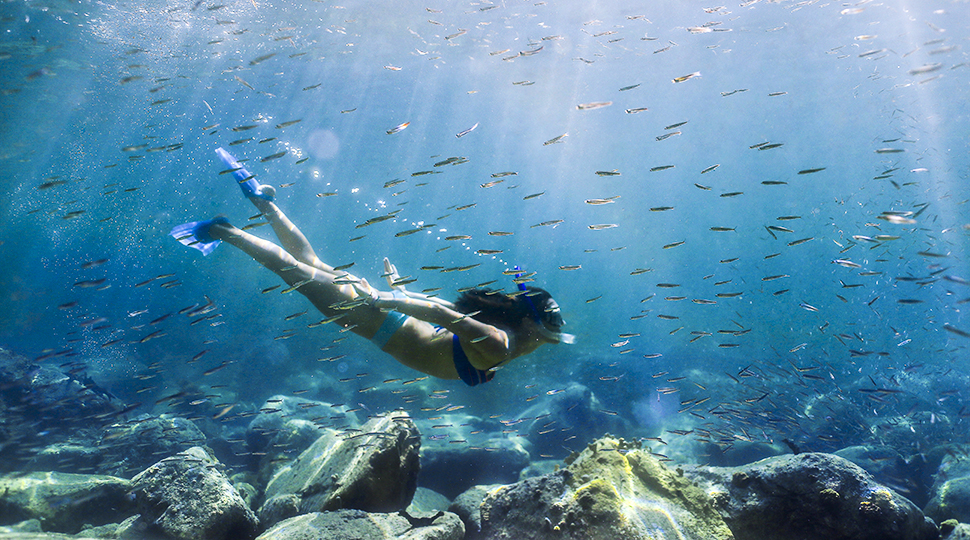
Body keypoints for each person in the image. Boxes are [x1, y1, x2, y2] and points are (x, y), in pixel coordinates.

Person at [169, 148, 573, 386]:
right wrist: (383, 297)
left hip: (385, 310)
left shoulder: (507, 340)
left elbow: (439, 319)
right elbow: (437, 315)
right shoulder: (498, 343)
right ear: (530, 325)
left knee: (308, 263)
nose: (548, 342)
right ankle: (224, 231)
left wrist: (398, 292)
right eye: (548, 334)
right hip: (376, 317)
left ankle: (262, 199)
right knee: (293, 271)